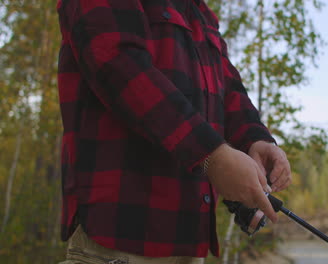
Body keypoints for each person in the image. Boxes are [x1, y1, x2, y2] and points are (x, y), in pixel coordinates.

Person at [56, 0, 292, 263]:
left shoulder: (200, 12)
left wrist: (255, 139)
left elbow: (228, 88)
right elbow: (120, 68)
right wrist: (210, 157)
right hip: (115, 241)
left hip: (188, 244)